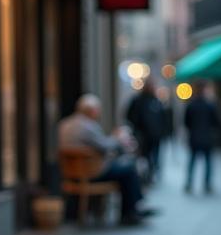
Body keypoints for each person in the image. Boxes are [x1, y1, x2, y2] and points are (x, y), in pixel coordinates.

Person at [58, 94, 156, 226]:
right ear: (92, 111)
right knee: (129, 170)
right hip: (92, 172)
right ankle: (130, 211)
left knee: (124, 168)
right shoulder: (87, 126)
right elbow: (105, 146)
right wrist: (117, 138)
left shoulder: (65, 124)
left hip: (72, 173)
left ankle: (133, 207)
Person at [183, 80, 220, 194]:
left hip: (194, 137)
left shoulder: (191, 105)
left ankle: (189, 183)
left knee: (192, 161)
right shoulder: (210, 105)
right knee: (207, 162)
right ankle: (207, 184)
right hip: (207, 137)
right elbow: (217, 121)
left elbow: (186, 122)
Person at [126, 79, 165, 183]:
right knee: (143, 157)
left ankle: (152, 173)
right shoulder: (137, 100)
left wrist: (162, 132)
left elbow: (163, 118)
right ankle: (144, 175)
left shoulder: (156, 101)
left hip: (155, 136)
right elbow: (129, 115)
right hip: (142, 135)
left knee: (155, 156)